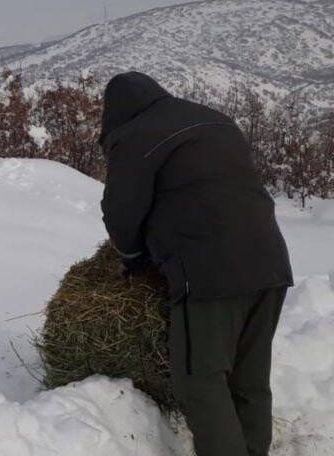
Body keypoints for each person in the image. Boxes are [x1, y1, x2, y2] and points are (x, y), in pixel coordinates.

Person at [100, 71, 292, 456]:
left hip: (209, 270)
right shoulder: (214, 119)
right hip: (270, 261)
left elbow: (121, 212)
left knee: (200, 381)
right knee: (249, 378)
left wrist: (133, 258)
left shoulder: (135, 135)